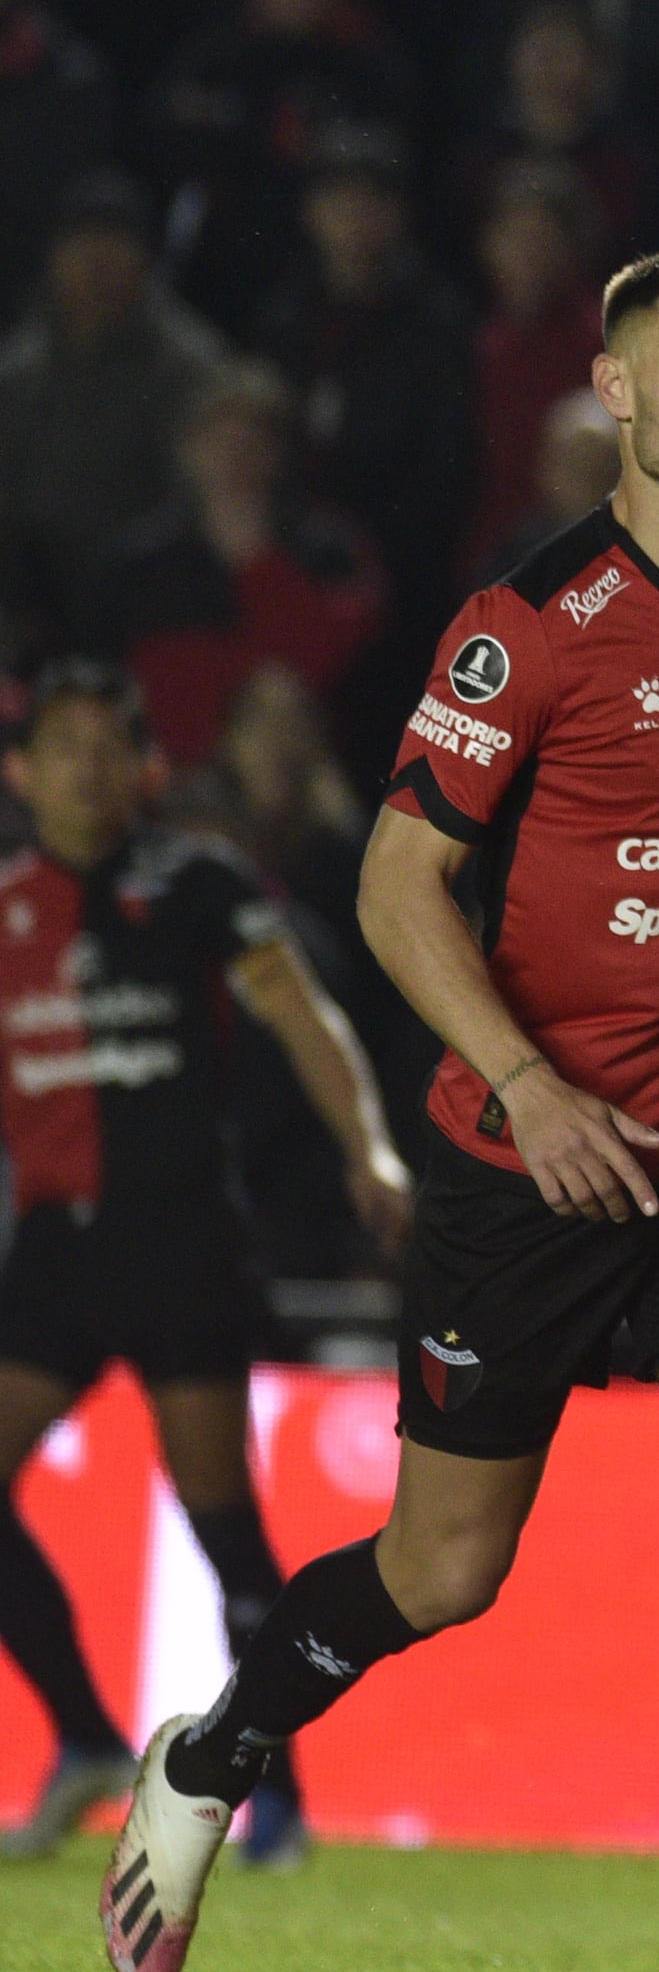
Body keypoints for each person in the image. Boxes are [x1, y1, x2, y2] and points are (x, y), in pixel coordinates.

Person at [97, 248, 659, 1972]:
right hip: (529, 1158)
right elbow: (396, 877)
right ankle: (214, 1751)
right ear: (619, 393)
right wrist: (526, 1078)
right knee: (446, 1568)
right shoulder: (536, 620)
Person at [0, 660, 410, 1861]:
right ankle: (81, 1734)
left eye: (103, 743)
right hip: (55, 1248)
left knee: (217, 1509)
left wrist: (368, 1150)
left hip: (179, 1237)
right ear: (20, 770)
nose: (82, 765)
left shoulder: (196, 883)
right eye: (59, 744)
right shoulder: (7, 904)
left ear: (145, 766)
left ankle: (271, 1787)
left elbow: (299, 1014)